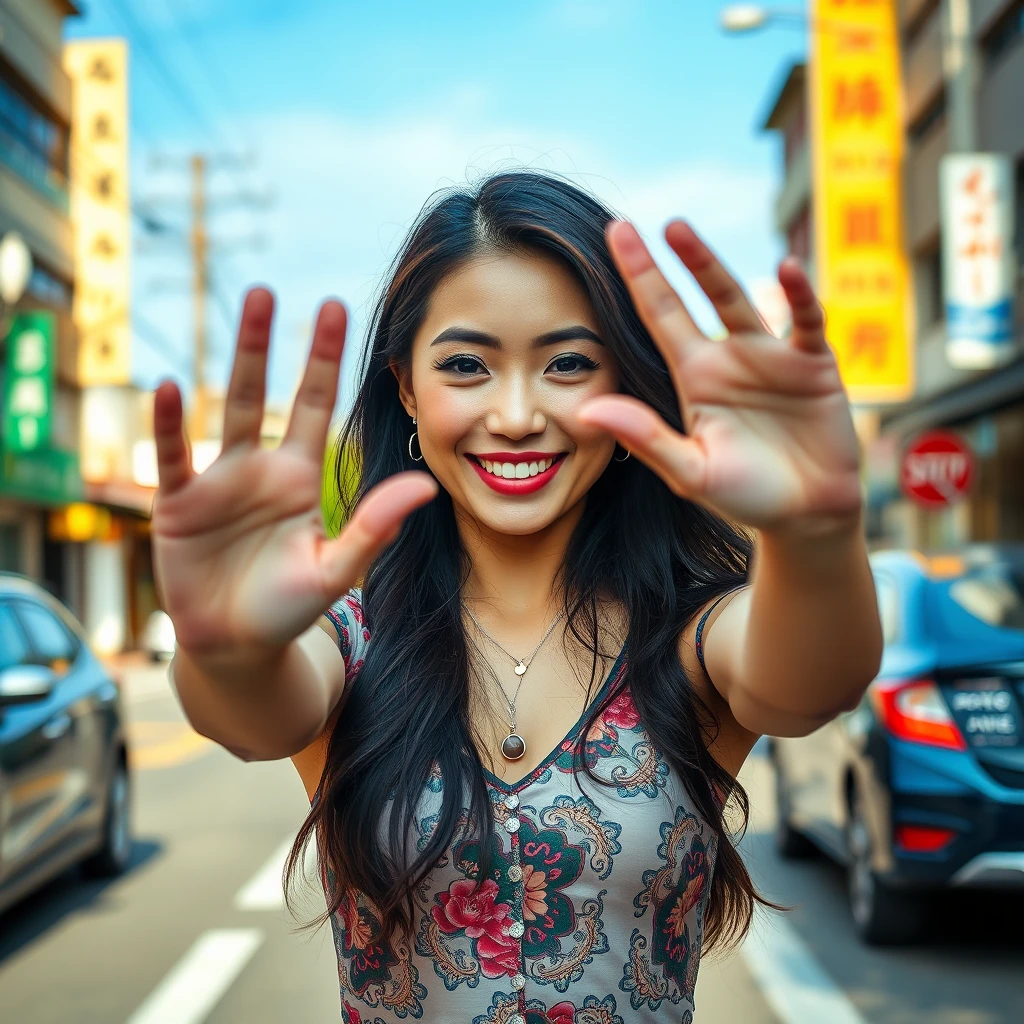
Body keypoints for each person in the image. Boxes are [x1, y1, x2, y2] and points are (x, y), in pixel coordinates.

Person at [155, 171, 882, 1024]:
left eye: (568, 364)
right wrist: (224, 648)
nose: (515, 414)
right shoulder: (350, 644)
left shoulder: (692, 638)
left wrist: (818, 534)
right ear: (406, 389)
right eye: (466, 365)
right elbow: (251, 714)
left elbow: (814, 684)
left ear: (625, 389)